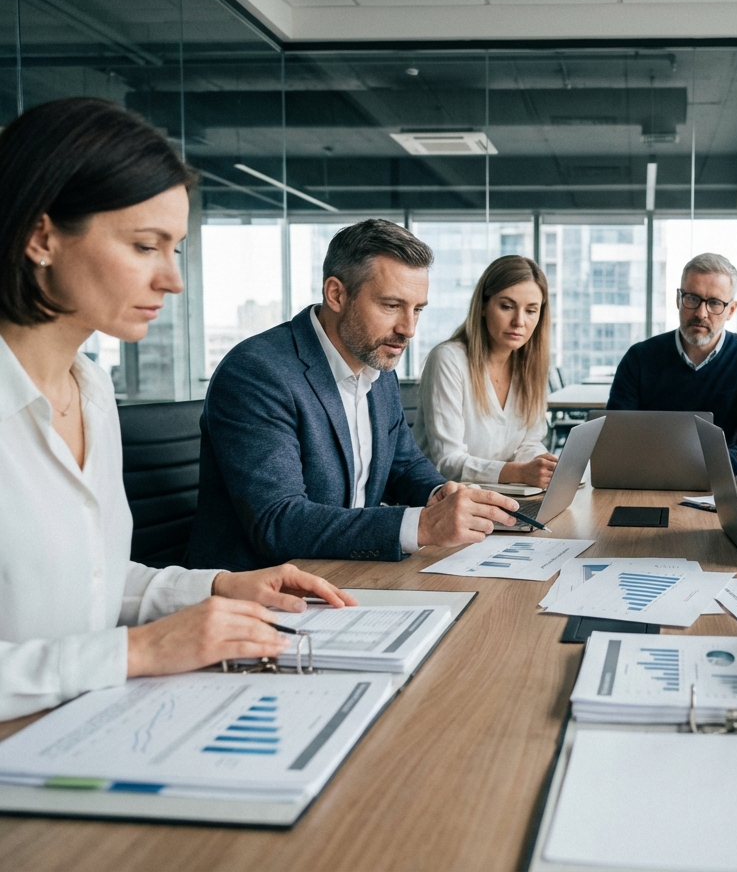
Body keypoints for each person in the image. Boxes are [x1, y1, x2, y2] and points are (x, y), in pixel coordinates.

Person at [0, 98, 355, 722]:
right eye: (144, 246)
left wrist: (216, 586)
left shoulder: (89, 391)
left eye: (177, 250)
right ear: (41, 236)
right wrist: (133, 652)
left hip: (84, 725)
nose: (173, 281)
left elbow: (87, 586)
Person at [186, 219, 520, 572]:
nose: (408, 329)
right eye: (391, 306)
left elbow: (402, 464)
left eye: (417, 309)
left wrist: (438, 495)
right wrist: (421, 525)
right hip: (260, 589)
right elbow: (278, 520)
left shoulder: (375, 363)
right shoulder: (258, 372)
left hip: (345, 571)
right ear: (336, 294)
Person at [606, 252, 737, 471]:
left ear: (731, 310)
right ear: (678, 299)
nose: (701, 313)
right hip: (648, 478)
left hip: (719, 483)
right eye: (692, 298)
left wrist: (699, 466)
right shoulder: (639, 357)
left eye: (714, 303)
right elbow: (615, 435)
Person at [415, 255, 557, 487]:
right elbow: (447, 462)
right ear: (482, 306)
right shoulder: (449, 359)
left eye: (531, 311)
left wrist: (543, 465)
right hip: (442, 501)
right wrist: (520, 474)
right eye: (507, 307)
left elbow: (529, 443)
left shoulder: (530, 368)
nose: (519, 321)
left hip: (500, 497)